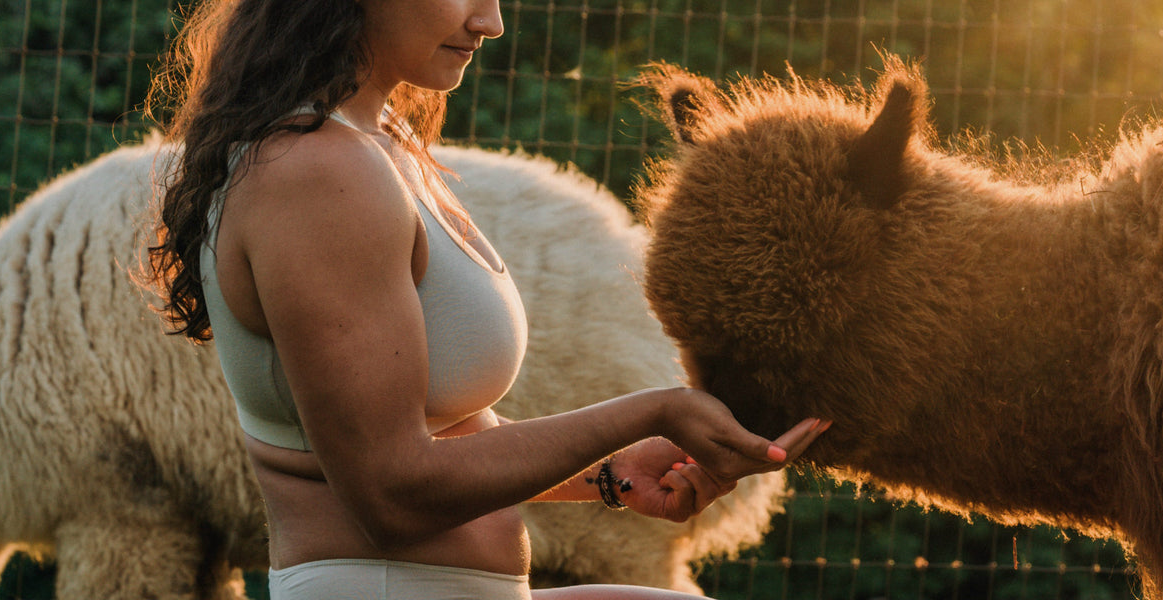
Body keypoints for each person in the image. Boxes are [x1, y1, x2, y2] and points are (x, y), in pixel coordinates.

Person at [141, 0, 828, 598]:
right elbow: (391, 492)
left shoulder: (382, 144)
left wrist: (608, 477)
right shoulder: (320, 173)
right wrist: (655, 409)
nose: (491, 22)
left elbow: (438, 442)